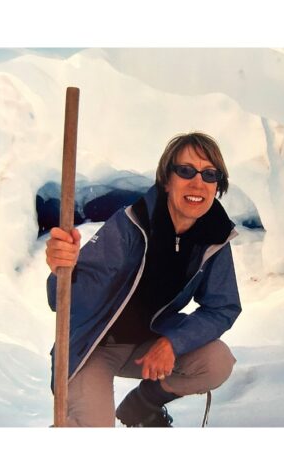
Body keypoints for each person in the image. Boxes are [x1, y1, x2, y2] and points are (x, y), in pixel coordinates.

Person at [45, 132, 241, 427]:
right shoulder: (131, 226)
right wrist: (65, 268)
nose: (198, 183)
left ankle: (142, 404)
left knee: (216, 362)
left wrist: (173, 343)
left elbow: (223, 307)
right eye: (185, 171)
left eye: (209, 174)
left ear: (217, 185)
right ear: (167, 179)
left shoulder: (214, 237)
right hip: (95, 347)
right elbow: (69, 303)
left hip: (147, 346)